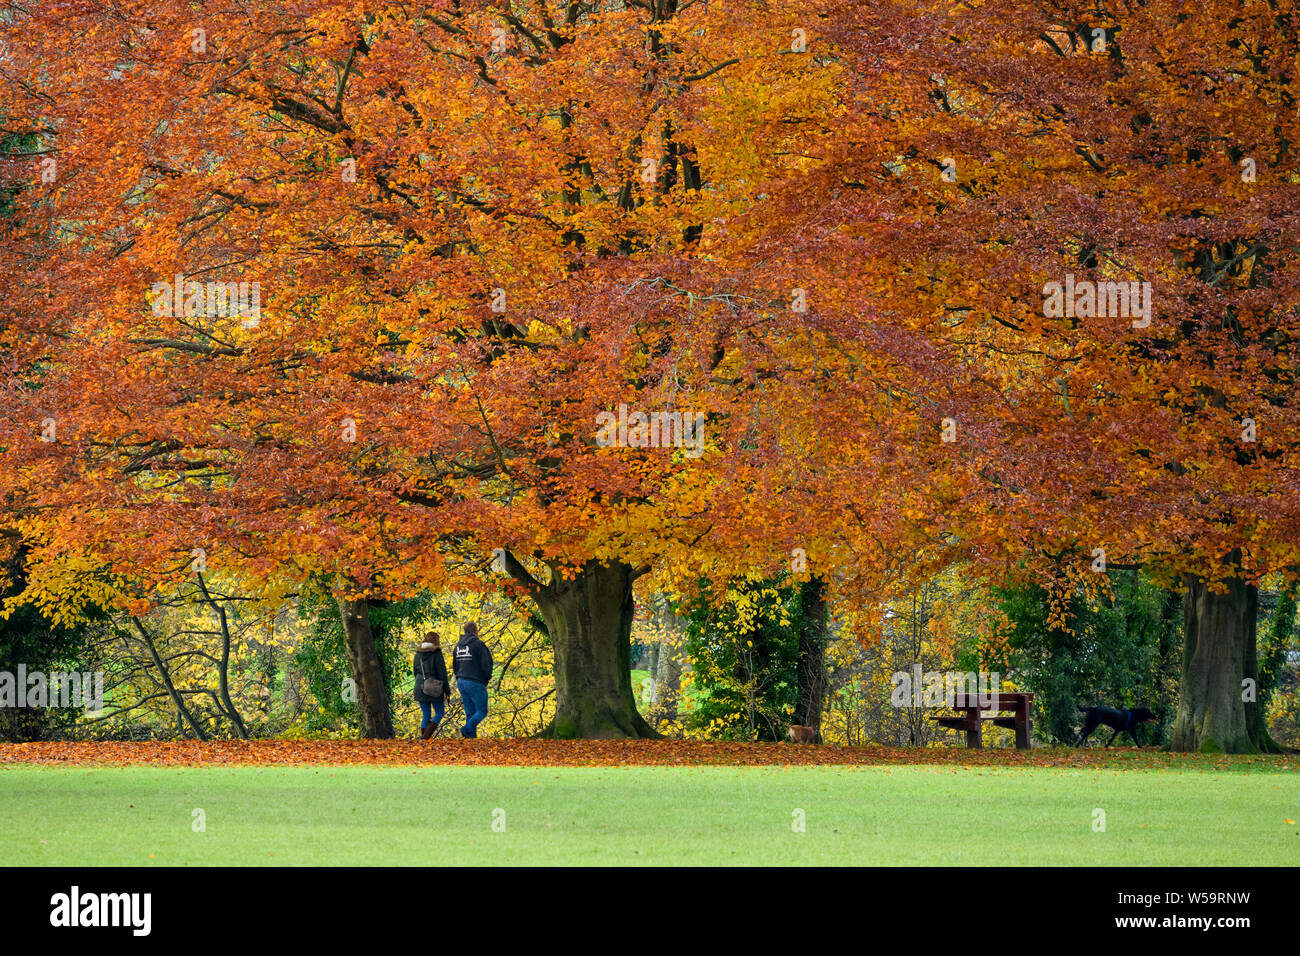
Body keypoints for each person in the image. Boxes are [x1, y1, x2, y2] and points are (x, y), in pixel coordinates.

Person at [452, 622, 493, 738]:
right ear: (475, 630)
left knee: (470, 712)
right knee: (482, 711)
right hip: (475, 681)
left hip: (461, 681)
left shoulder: (458, 646)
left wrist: (459, 676)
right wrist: (486, 678)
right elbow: (487, 664)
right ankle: (466, 729)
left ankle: (471, 740)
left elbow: (455, 665)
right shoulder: (478, 644)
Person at [413, 631, 450, 740]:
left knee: (426, 714)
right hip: (435, 687)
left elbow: (415, 672)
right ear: (436, 641)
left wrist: (421, 683)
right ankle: (425, 737)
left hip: (420, 686)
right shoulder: (437, 653)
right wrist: (447, 691)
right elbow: (442, 673)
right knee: (440, 712)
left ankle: (424, 739)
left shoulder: (417, 654)